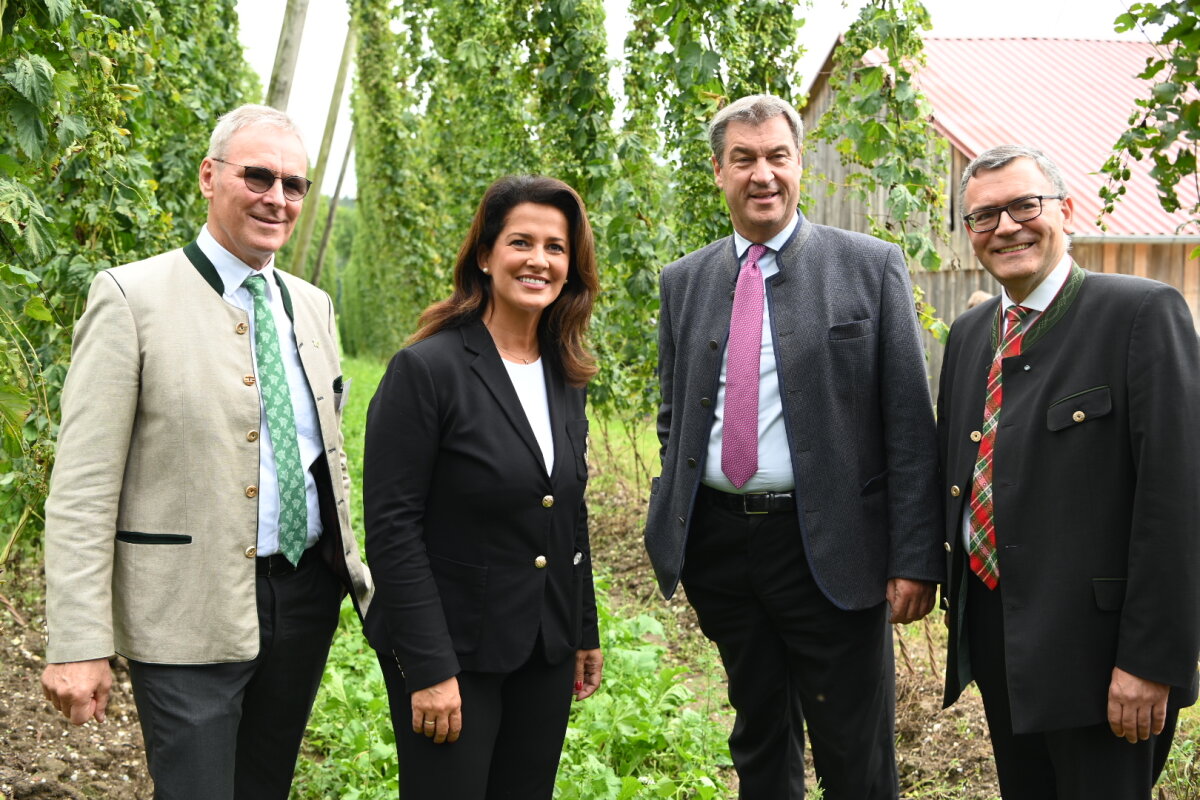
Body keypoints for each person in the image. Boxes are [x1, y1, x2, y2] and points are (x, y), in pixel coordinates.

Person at [39, 104, 373, 800]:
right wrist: (78, 640)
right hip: (183, 608)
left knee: (265, 786)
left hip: (303, 596)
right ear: (208, 176)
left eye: (293, 184)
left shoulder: (311, 306)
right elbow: (82, 488)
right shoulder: (132, 298)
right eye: (257, 176)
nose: (276, 198)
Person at [644, 93, 943, 799]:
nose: (763, 174)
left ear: (799, 164)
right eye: (743, 159)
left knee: (854, 748)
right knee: (759, 734)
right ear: (718, 171)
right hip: (721, 550)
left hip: (832, 550)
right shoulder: (684, 281)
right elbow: (673, 414)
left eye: (778, 156)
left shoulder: (870, 267)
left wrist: (913, 556)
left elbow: (907, 423)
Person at [938, 144, 1200, 799]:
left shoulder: (1141, 314)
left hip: (1102, 653)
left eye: (1025, 205)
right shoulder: (971, 335)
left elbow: (1178, 500)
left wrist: (1149, 661)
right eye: (983, 216)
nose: (1006, 227)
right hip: (1002, 635)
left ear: (1067, 211)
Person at [362, 175, 603, 799]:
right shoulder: (428, 370)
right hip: (455, 654)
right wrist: (430, 668)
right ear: (484, 255)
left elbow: (567, 512)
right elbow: (392, 530)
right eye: (521, 242)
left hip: (542, 649)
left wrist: (582, 632)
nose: (539, 260)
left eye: (556, 247)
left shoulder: (564, 373)